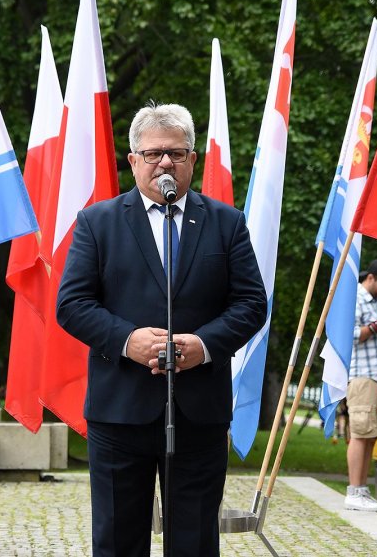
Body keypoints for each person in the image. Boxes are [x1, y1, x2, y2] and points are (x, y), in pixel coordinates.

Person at [56, 103, 267, 556]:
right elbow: (71, 305)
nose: (165, 163)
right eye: (152, 154)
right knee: (117, 541)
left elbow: (252, 304)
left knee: (193, 543)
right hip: (119, 411)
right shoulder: (98, 222)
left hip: (199, 413)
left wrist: (205, 345)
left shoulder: (226, 223)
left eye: (176, 152)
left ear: (193, 160)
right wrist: (127, 340)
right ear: (133, 161)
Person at [344, 258, 377, 513]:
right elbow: (349, 335)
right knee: (360, 434)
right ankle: (353, 491)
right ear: (371, 278)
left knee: (372, 434)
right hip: (362, 375)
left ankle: (362, 490)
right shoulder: (355, 298)